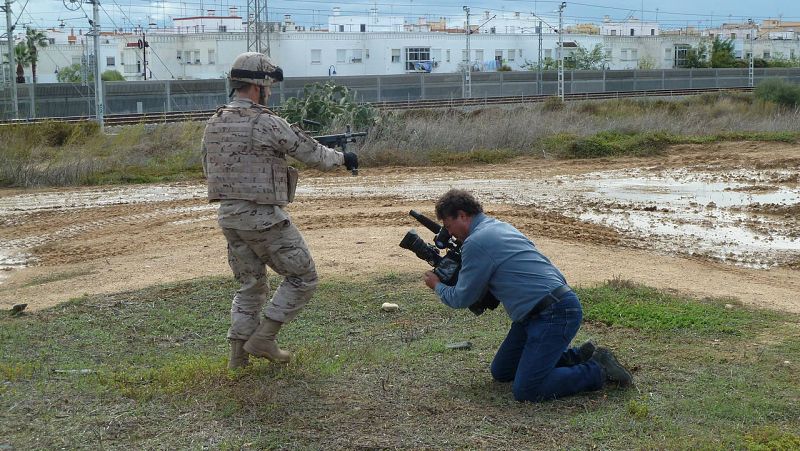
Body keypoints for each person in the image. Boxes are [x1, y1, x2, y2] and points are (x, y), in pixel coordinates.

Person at [202, 52, 359, 369]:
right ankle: (265, 338)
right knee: (304, 276)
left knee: (251, 286)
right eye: (268, 87)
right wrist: (345, 158)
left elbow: (208, 166)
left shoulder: (214, 122)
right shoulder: (266, 123)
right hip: (263, 220)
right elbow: (311, 153)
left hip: (229, 218)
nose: (270, 93)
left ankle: (237, 360)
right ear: (258, 87)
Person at [423, 189, 633, 402]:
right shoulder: (498, 226)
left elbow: (462, 298)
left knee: (528, 389)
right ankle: (579, 356)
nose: (449, 234)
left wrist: (437, 285)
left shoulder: (476, 242)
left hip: (553, 312)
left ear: (462, 215)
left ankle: (598, 370)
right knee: (503, 371)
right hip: (541, 311)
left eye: (448, 226)